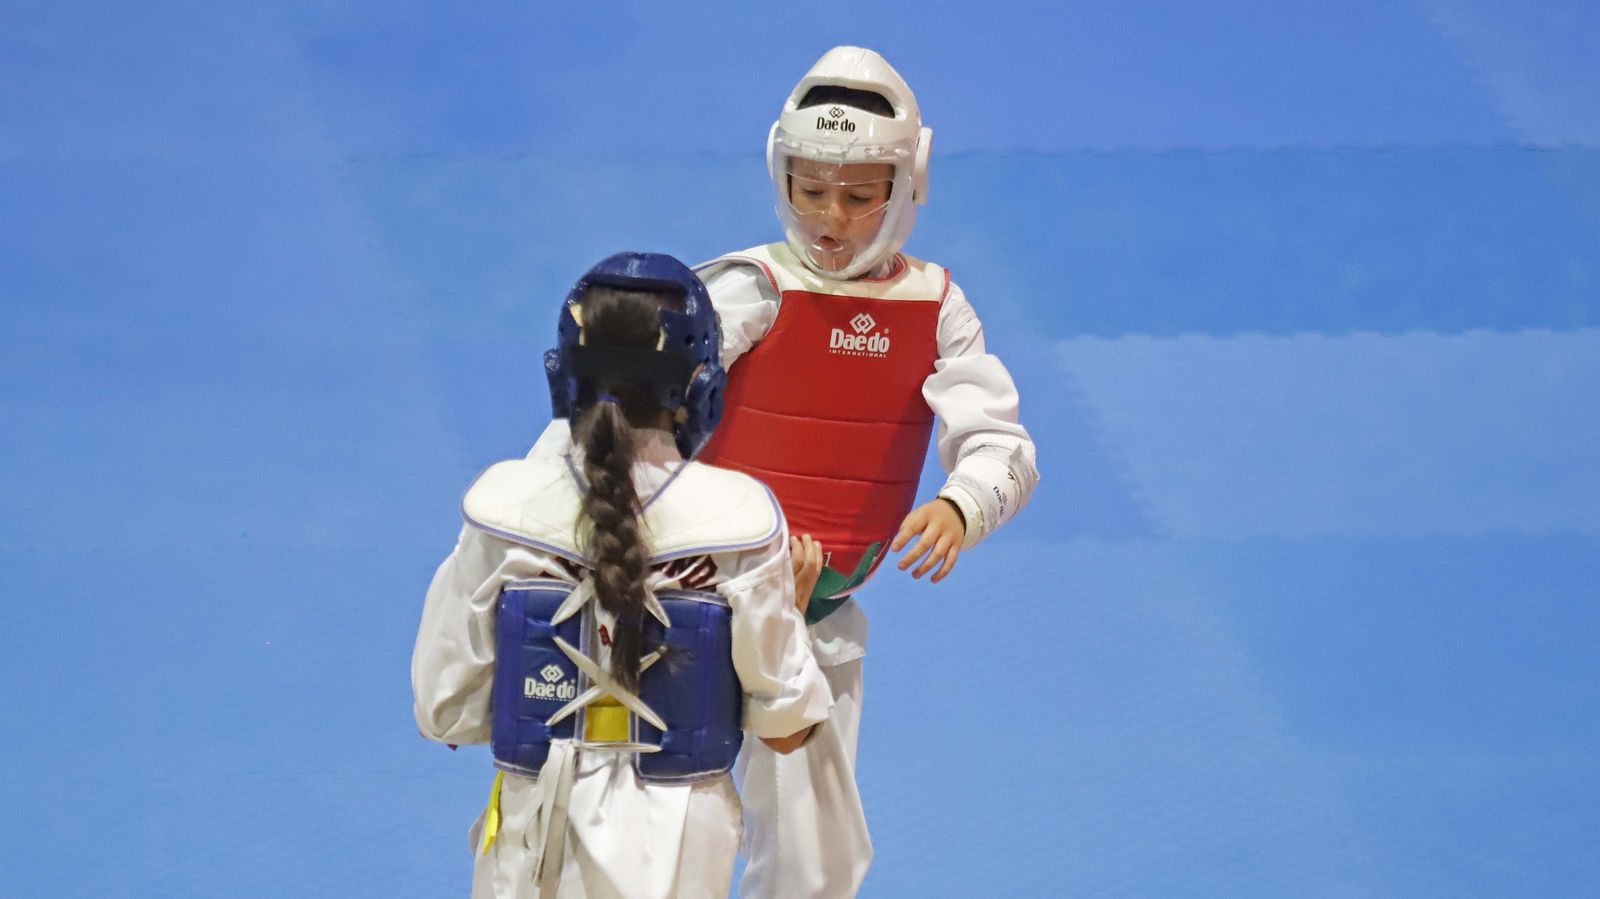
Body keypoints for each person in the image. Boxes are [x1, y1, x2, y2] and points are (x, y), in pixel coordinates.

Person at [693, 46, 1042, 898]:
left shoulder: (935, 306)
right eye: (811, 191)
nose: (831, 219)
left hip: (817, 618)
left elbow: (1002, 441)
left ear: (907, 182)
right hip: (693, 602)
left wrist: (963, 505)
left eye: (858, 196)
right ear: (780, 174)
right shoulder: (747, 287)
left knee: (822, 862)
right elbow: (639, 422)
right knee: (673, 834)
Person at [412, 252, 833, 899]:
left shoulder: (503, 510)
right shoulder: (740, 521)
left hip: (534, 844)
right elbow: (787, 728)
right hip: (683, 851)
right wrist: (794, 614)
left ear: (563, 377)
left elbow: (445, 711)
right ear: (700, 391)